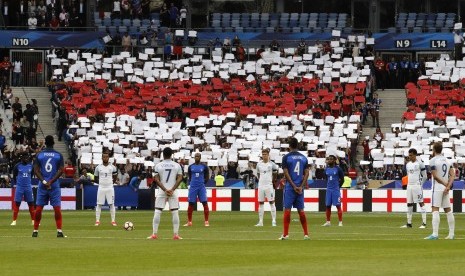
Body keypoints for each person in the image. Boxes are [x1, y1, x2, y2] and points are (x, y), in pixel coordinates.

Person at [32, 135, 65, 238]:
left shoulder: (40, 155)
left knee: (38, 209)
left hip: (42, 185)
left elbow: (36, 170)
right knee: (57, 209)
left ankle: (35, 231)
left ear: (45, 143)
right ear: (53, 143)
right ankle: (59, 231)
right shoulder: (58, 155)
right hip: (54, 185)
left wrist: (44, 181)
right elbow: (61, 170)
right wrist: (51, 181)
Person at [147, 147, 183, 240]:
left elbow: (156, 179)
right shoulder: (177, 165)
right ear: (171, 155)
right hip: (173, 191)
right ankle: (176, 235)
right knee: (175, 212)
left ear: (163, 154)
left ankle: (154, 234)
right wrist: (172, 189)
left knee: (158, 211)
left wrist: (164, 189)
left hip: (162, 191)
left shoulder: (158, 165)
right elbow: (180, 178)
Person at [279, 137, 309, 240]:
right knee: (301, 211)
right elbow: (307, 173)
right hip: (300, 188)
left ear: (289, 146)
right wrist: (301, 186)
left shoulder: (286, 157)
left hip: (290, 188)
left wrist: (293, 186)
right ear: (298, 145)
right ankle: (306, 234)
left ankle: (286, 235)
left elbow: (286, 173)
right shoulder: (304, 158)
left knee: (287, 210)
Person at [425, 142, 455, 240]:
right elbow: (453, 175)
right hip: (445, 188)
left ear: (433, 150)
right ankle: (451, 234)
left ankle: (435, 234)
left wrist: (445, 184)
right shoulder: (447, 160)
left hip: (437, 187)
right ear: (441, 149)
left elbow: (435, 176)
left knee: (435, 209)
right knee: (448, 210)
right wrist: (448, 186)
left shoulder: (432, 160)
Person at [401, 148, 427, 228]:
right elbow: (408, 175)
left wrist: (420, 184)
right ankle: (409, 223)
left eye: (411, 155)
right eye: (409, 155)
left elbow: (425, 176)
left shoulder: (420, 164)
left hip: (417, 186)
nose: (410, 157)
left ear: (415, 155)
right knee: (409, 204)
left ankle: (424, 223)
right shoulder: (408, 165)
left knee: (421, 203)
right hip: (409, 186)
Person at [184, 152, 210, 227]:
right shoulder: (190, 167)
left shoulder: (204, 166)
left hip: (201, 187)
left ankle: (206, 221)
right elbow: (190, 176)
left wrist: (203, 183)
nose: (197, 157)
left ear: (200, 157)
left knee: (204, 202)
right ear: (194, 158)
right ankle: (189, 222)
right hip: (193, 187)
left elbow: (207, 176)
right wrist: (192, 183)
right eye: (196, 156)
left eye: (198, 156)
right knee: (191, 203)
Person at [255, 148, 278, 227]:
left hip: (269, 186)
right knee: (261, 203)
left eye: (265, 154)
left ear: (268, 155)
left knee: (271, 202)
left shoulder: (272, 164)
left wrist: (272, 181)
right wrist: (261, 180)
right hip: (261, 185)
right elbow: (258, 174)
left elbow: (275, 173)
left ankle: (274, 221)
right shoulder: (259, 164)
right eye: (263, 154)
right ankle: (260, 222)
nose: (264, 156)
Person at [11, 152, 35, 226]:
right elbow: (14, 176)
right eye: (24, 157)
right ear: (21, 158)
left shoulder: (31, 166)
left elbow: (31, 175)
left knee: (30, 203)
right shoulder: (17, 166)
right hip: (19, 187)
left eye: (27, 157)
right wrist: (18, 184)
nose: (26, 158)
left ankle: (33, 221)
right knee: (17, 203)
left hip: (28, 187)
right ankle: (14, 221)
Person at [94, 152, 117, 226]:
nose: (105, 158)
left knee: (111, 204)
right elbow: (95, 178)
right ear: (102, 158)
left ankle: (113, 221)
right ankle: (97, 220)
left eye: (106, 157)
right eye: (104, 157)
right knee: (99, 204)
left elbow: (115, 177)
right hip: (101, 187)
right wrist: (101, 183)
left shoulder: (112, 167)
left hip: (110, 187)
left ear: (108, 158)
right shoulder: (98, 167)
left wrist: (111, 183)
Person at [322, 154, 345, 227]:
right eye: (328, 159)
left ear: (334, 160)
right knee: (328, 206)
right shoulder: (326, 169)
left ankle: (340, 222)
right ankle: (328, 222)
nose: (329, 160)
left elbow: (342, 179)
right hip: (329, 190)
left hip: (335, 190)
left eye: (331, 159)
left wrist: (338, 187)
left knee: (338, 206)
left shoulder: (338, 169)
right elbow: (326, 178)